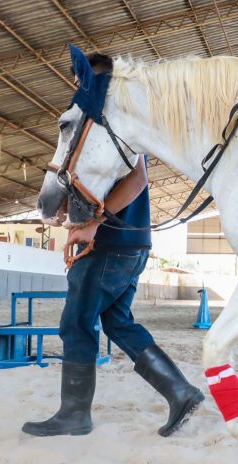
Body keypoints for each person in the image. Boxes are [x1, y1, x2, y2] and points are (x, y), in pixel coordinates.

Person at [23, 155, 204, 438]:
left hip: (108, 244)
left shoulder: (104, 126)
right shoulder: (117, 130)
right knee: (117, 322)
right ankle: (180, 392)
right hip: (131, 244)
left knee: (76, 323)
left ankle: (74, 415)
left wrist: (95, 222)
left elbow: (137, 179)